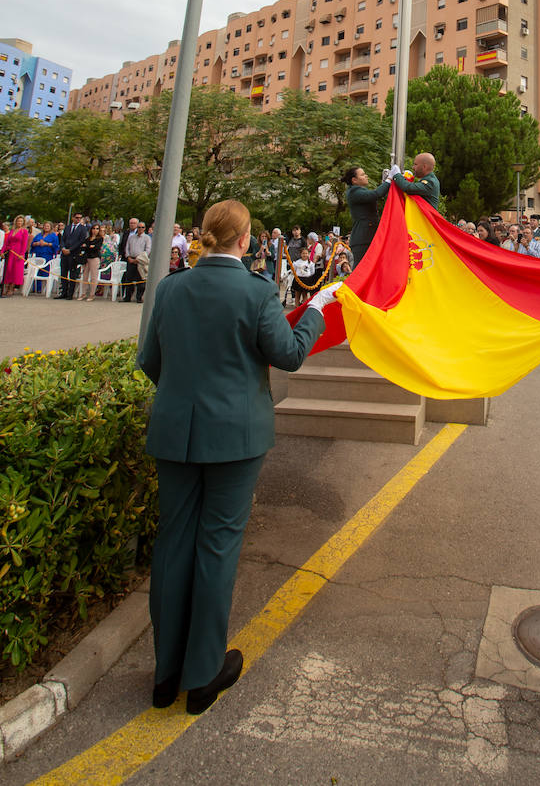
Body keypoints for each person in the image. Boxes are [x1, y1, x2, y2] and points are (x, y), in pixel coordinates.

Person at [136, 198, 334, 715]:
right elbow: (288, 353)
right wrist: (315, 310)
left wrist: (186, 401)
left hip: (175, 432)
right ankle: (202, 676)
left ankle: (165, 675)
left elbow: (149, 361)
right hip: (236, 437)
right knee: (217, 547)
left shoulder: (171, 287)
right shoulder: (257, 289)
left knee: (173, 543)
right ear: (245, 240)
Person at [343, 166, 392, 266]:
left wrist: (385, 184)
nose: (366, 176)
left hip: (368, 235)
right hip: (363, 238)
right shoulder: (354, 192)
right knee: (361, 271)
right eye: (362, 175)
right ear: (354, 180)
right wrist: (389, 180)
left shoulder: (360, 191)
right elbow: (376, 194)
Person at [59, 214, 88, 300]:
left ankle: (70, 294)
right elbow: (63, 239)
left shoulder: (83, 229)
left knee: (72, 274)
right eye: (76, 218)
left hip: (74, 253)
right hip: (64, 253)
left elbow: (81, 241)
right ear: (73, 218)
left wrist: (70, 250)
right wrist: (63, 248)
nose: (78, 219)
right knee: (63, 273)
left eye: (80, 218)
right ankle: (63, 292)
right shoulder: (68, 227)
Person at [122, 221, 151, 303]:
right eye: (139, 227)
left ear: (145, 228)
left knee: (140, 280)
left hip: (140, 261)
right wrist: (128, 257)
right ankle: (127, 297)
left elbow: (148, 250)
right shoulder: (131, 237)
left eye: (142, 227)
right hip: (131, 260)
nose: (140, 229)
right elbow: (127, 248)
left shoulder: (147, 238)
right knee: (128, 279)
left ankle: (139, 297)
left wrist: (138, 259)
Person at [1, 215, 30, 296]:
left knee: (15, 271)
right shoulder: (12, 231)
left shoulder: (24, 231)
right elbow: (6, 242)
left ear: (23, 222)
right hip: (10, 252)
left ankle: (11, 288)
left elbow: (24, 244)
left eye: (21, 221)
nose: (19, 222)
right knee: (8, 270)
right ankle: (5, 287)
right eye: (18, 221)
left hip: (18, 253)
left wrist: (21, 254)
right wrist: (2, 251)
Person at [30, 221, 59, 293]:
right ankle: (36, 288)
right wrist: (36, 243)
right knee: (37, 270)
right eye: (45, 226)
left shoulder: (53, 236)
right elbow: (32, 243)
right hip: (38, 254)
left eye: (48, 226)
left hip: (47, 255)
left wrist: (47, 244)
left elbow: (55, 245)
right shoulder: (39, 235)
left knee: (45, 271)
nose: (46, 227)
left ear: (50, 227)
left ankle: (45, 288)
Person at [78, 222, 104, 301]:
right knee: (85, 276)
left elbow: (96, 247)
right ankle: (83, 293)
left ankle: (92, 294)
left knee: (93, 277)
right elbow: (83, 247)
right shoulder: (88, 239)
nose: (95, 230)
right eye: (93, 228)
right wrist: (89, 246)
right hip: (87, 258)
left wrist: (88, 246)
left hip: (94, 258)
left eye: (97, 229)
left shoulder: (100, 239)